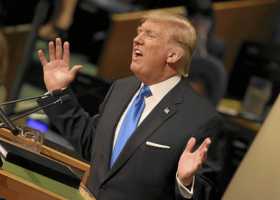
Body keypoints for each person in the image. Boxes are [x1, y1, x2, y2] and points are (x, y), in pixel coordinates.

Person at [37, 11, 221, 200]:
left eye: (150, 35)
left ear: (173, 54)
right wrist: (58, 93)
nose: (137, 40)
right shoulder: (121, 87)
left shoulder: (200, 118)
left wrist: (186, 182)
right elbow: (92, 144)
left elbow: (206, 192)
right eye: (139, 32)